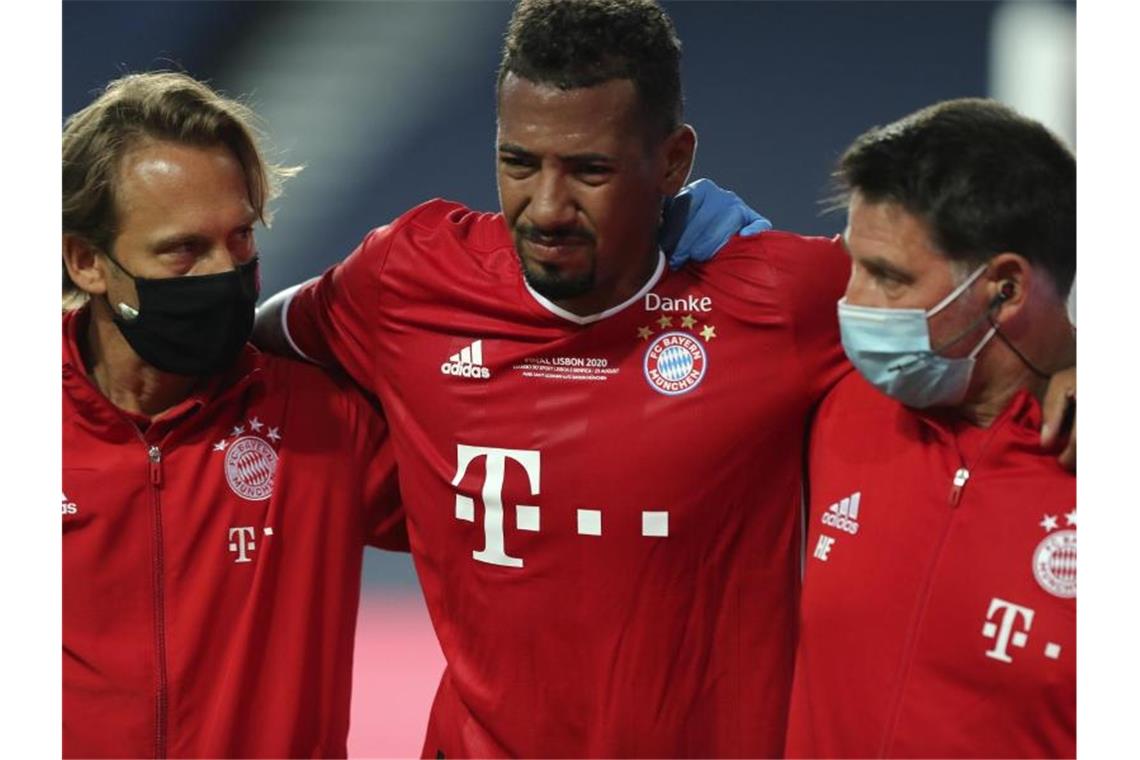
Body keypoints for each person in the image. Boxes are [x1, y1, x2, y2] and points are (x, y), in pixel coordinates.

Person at [251, 0, 850, 755]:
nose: (547, 208)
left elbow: (961, 326)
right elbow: (254, 345)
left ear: (673, 162)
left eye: (590, 170)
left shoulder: (785, 300)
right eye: (519, 163)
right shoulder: (408, 276)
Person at [62, 71, 406, 758]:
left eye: (241, 237)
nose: (225, 272)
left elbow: (521, 529)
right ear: (87, 262)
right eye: (184, 249)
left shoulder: (326, 421)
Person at [784, 99, 1076, 757]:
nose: (851, 303)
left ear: (1005, 288)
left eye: (888, 278)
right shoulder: (830, 397)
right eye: (853, 263)